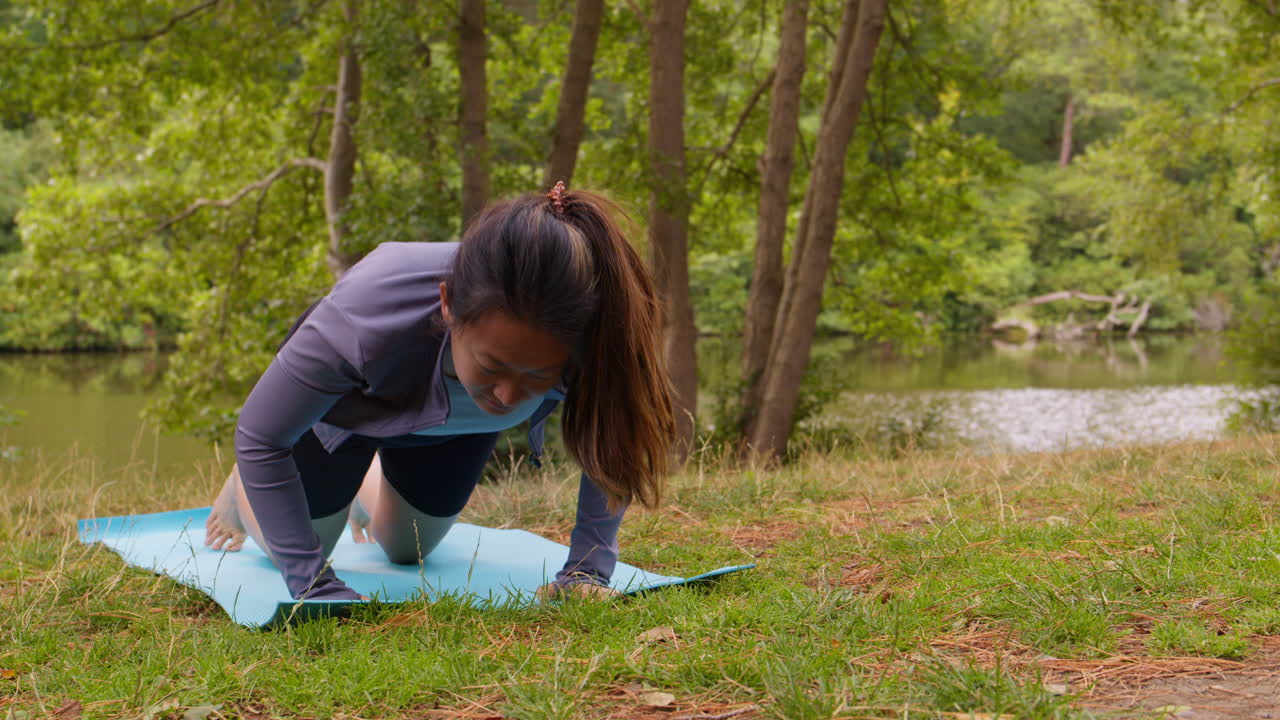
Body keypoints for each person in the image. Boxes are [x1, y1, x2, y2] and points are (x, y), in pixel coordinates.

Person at [202, 183, 677, 601]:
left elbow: (615, 437)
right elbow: (261, 435)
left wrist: (586, 572)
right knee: (305, 545)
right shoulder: (364, 315)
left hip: (454, 431)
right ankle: (241, 493)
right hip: (341, 419)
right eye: (493, 366)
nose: (509, 397)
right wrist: (312, 583)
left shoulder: (593, 333)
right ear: (448, 305)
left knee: (407, 550)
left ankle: (370, 477)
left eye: (538, 375)